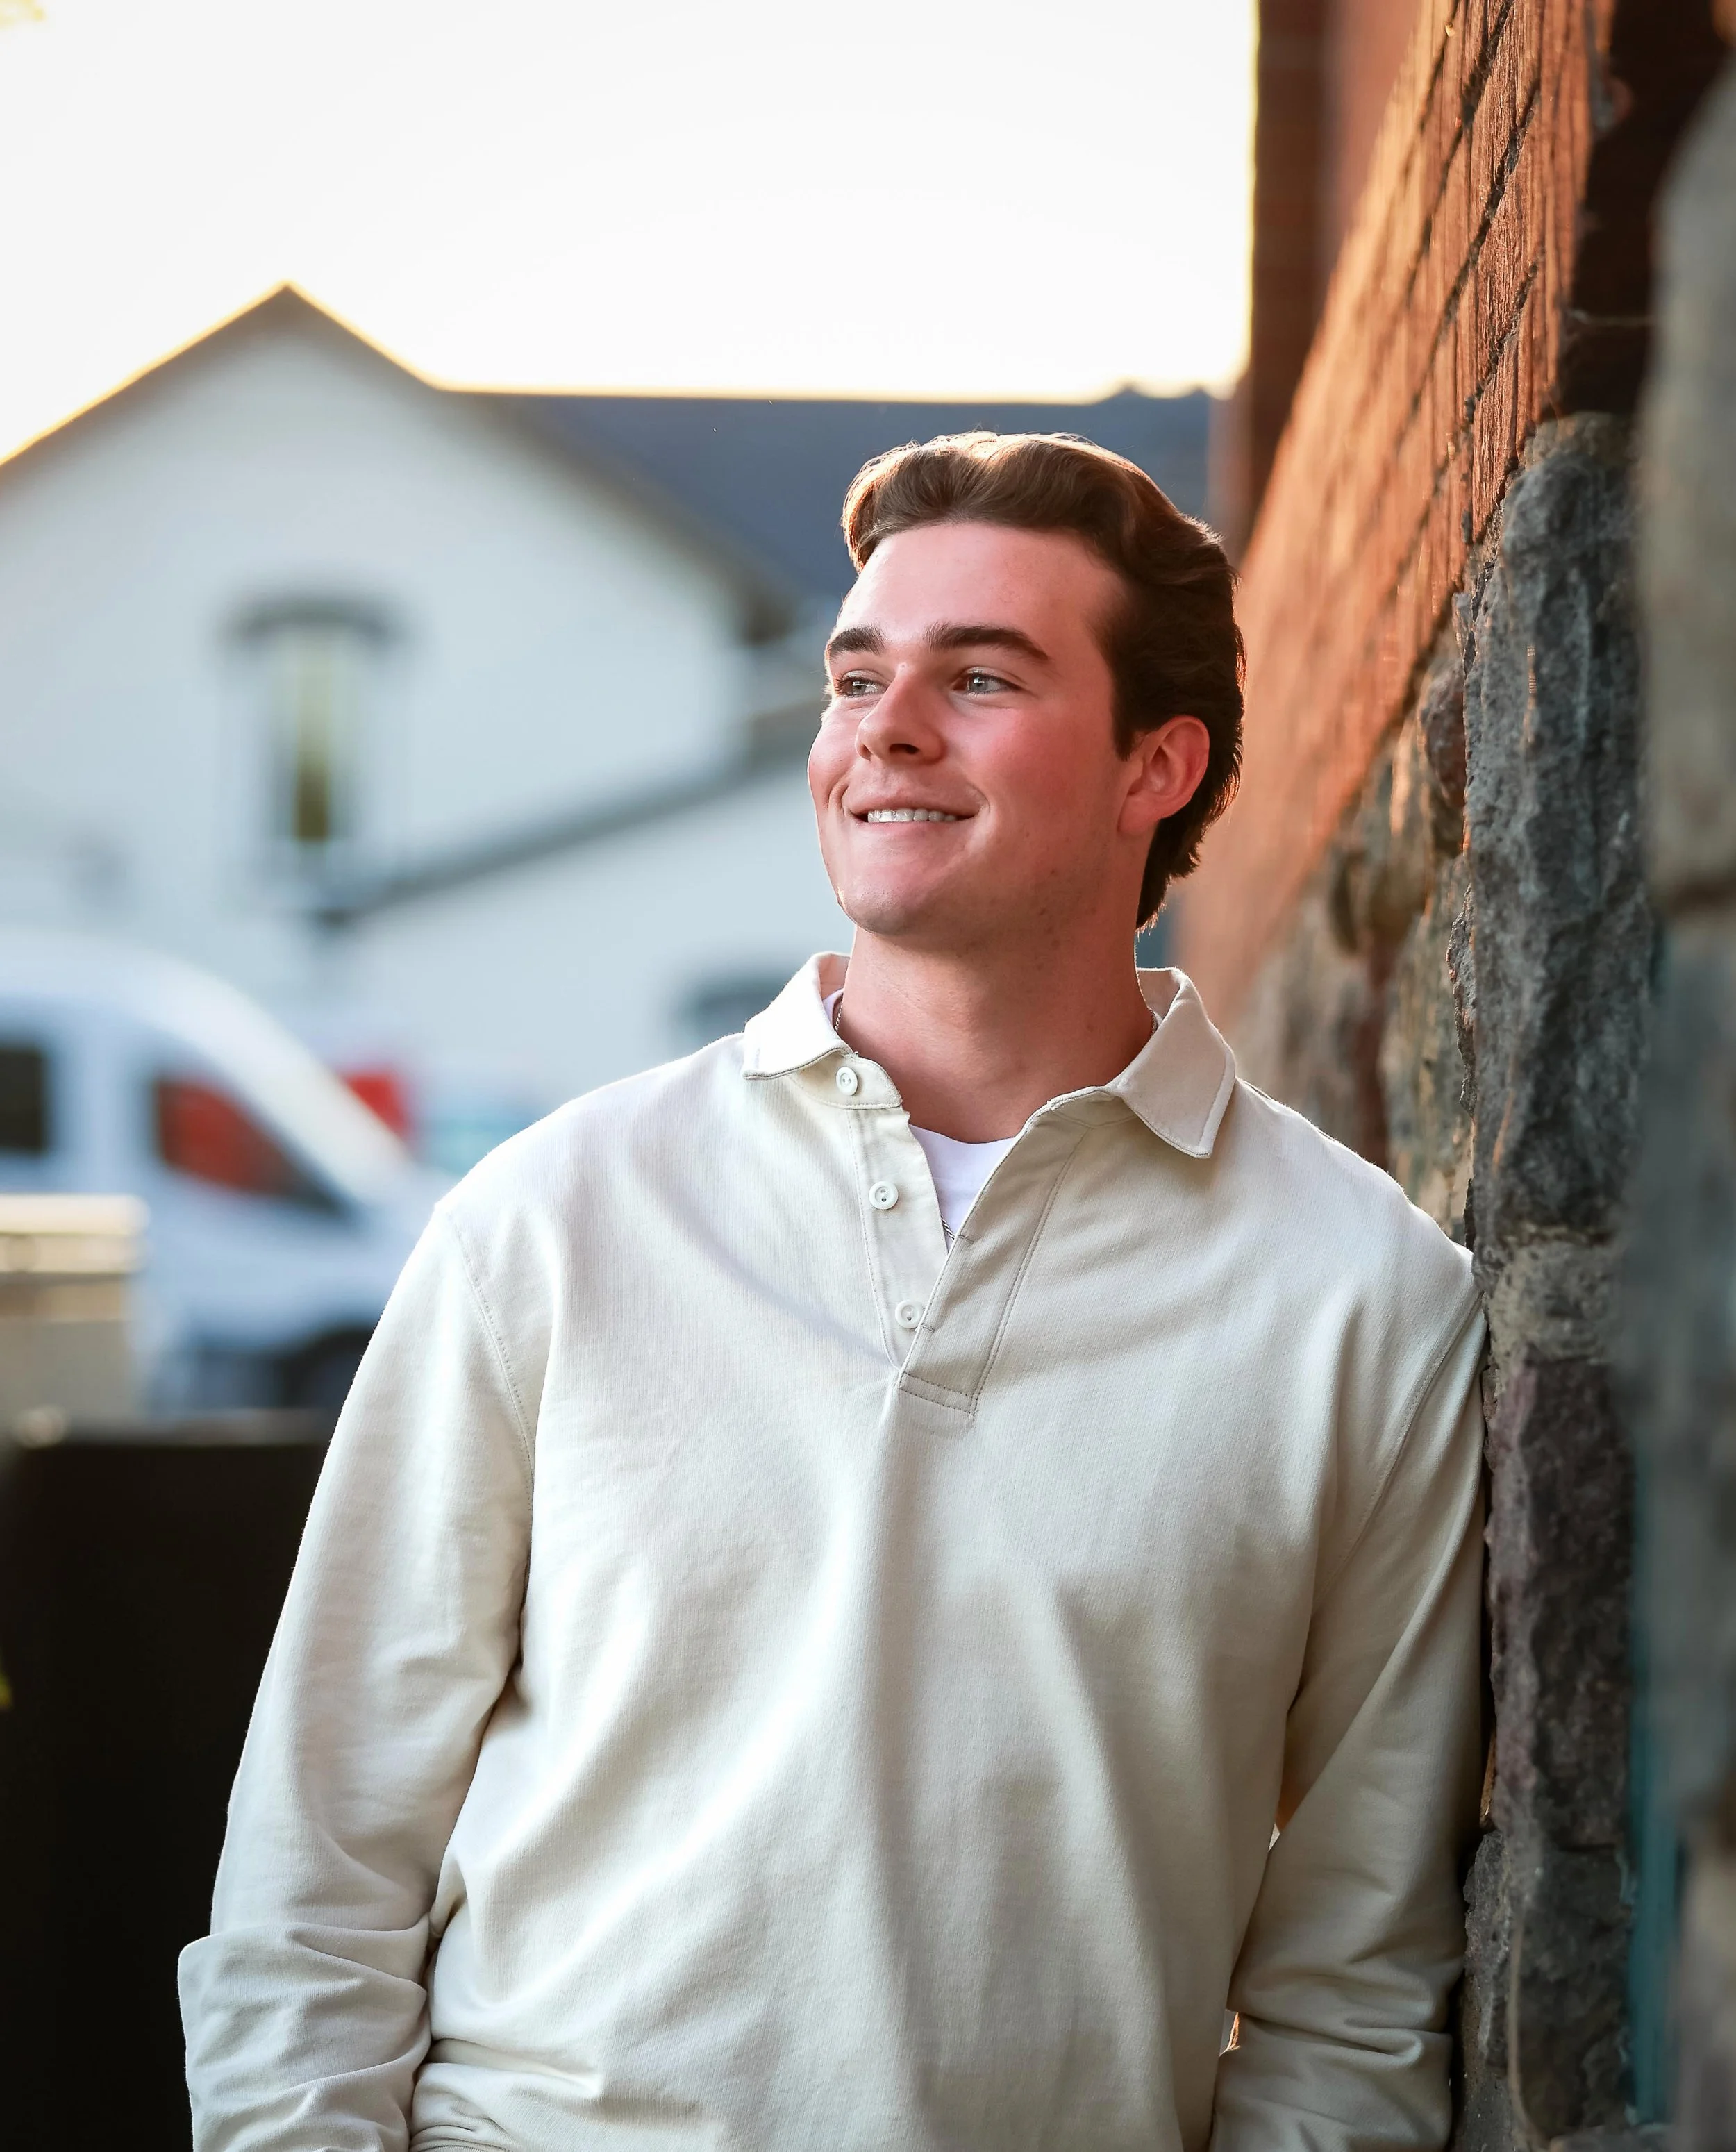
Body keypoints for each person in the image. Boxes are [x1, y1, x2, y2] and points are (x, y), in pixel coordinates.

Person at [181, 433, 1485, 2152]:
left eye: (981, 677)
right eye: (856, 676)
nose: (883, 728)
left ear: (1151, 765)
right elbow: (319, 1860)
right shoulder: (554, 1219)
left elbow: (1352, 1987)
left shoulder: (1366, 1299)